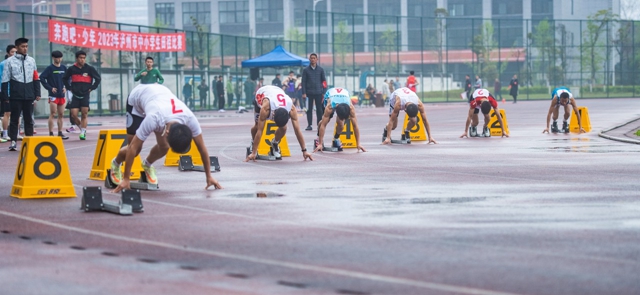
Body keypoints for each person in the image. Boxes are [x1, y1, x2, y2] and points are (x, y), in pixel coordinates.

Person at [109, 84, 222, 192]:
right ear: (166, 132)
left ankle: (147, 165)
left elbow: (202, 148)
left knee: (164, 147)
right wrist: (126, 179)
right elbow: (132, 147)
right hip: (137, 101)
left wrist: (209, 176)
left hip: (159, 101)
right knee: (136, 150)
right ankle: (115, 163)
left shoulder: (189, 118)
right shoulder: (153, 118)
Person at [245, 85, 313, 162]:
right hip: (262, 93)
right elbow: (260, 131)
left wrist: (304, 151)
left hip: (277, 91)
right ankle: (253, 143)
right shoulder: (265, 108)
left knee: (284, 128)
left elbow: (297, 131)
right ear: (273, 114)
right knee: (258, 126)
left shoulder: (291, 108)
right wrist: (254, 152)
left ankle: (274, 143)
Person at [1, 38, 40, 151]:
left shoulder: (31, 60)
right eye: (23, 46)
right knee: (14, 118)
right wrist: (5, 97)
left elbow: (35, 77)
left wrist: (37, 92)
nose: (25, 48)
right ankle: (13, 141)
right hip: (15, 95)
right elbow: (5, 80)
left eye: (26, 46)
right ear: (17, 47)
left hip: (29, 94)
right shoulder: (10, 61)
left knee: (28, 119)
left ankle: (29, 139)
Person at [313, 87, 366, 153]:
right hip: (330, 95)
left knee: (341, 124)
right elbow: (323, 125)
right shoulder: (330, 107)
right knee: (325, 121)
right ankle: (318, 138)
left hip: (342, 97)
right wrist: (320, 144)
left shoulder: (351, 108)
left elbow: (355, 126)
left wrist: (358, 144)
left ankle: (336, 138)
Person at [63, 50, 101, 140]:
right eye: (80, 58)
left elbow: (98, 79)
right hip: (75, 95)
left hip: (85, 95)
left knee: (84, 114)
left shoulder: (90, 69)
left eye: (84, 58)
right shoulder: (72, 69)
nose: (82, 60)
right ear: (77, 58)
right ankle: (82, 128)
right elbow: (64, 79)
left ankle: (83, 132)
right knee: (73, 115)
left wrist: (92, 88)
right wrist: (69, 88)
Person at [40, 50, 69, 139]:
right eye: (56, 57)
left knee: (61, 114)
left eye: (60, 57)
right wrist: (50, 88)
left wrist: (66, 87)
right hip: (53, 95)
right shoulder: (50, 68)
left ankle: (60, 132)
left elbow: (68, 78)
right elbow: (41, 77)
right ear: (53, 58)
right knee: (53, 113)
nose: (58, 59)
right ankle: (51, 132)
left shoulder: (64, 68)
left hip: (62, 95)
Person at [301, 53, 327, 131]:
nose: (313, 59)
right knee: (309, 109)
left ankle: (319, 124)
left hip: (319, 92)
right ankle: (309, 125)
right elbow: (303, 82)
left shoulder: (321, 70)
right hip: (309, 93)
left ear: (317, 59)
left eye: (314, 58)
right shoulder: (306, 70)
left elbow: (324, 81)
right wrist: (304, 93)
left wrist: (324, 92)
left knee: (319, 109)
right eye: (311, 58)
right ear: (309, 59)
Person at [0, 44, 17, 142]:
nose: (14, 54)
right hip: (7, 92)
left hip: (17, 92)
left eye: (15, 52)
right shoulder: (3, 64)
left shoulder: (19, 63)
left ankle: (16, 133)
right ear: (8, 53)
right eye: (12, 52)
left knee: (18, 114)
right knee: (7, 113)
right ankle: (5, 133)